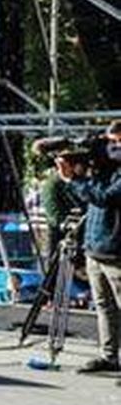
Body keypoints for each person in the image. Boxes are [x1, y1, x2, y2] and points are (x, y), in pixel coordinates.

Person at [57, 121, 121, 374]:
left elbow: (105, 198)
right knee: (104, 307)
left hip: (116, 252)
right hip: (96, 248)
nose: (113, 147)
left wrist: (74, 178)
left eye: (117, 142)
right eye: (111, 142)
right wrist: (78, 175)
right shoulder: (104, 170)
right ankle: (109, 356)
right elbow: (88, 200)